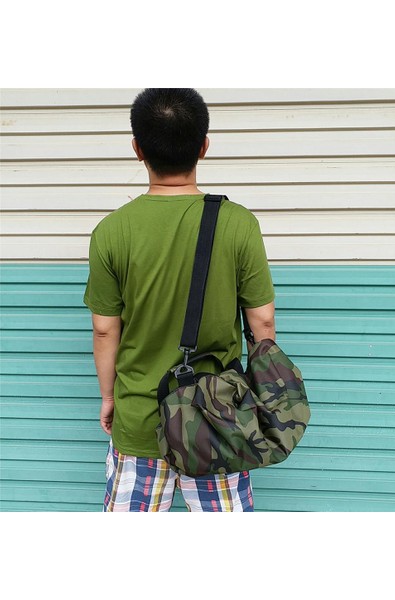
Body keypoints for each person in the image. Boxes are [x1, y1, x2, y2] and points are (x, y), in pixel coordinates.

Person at [83, 88, 276, 512]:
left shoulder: (111, 232)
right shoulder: (239, 224)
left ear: (137, 149)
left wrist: (109, 398)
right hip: (218, 422)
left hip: (139, 419)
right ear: (204, 146)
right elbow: (261, 323)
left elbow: (104, 330)